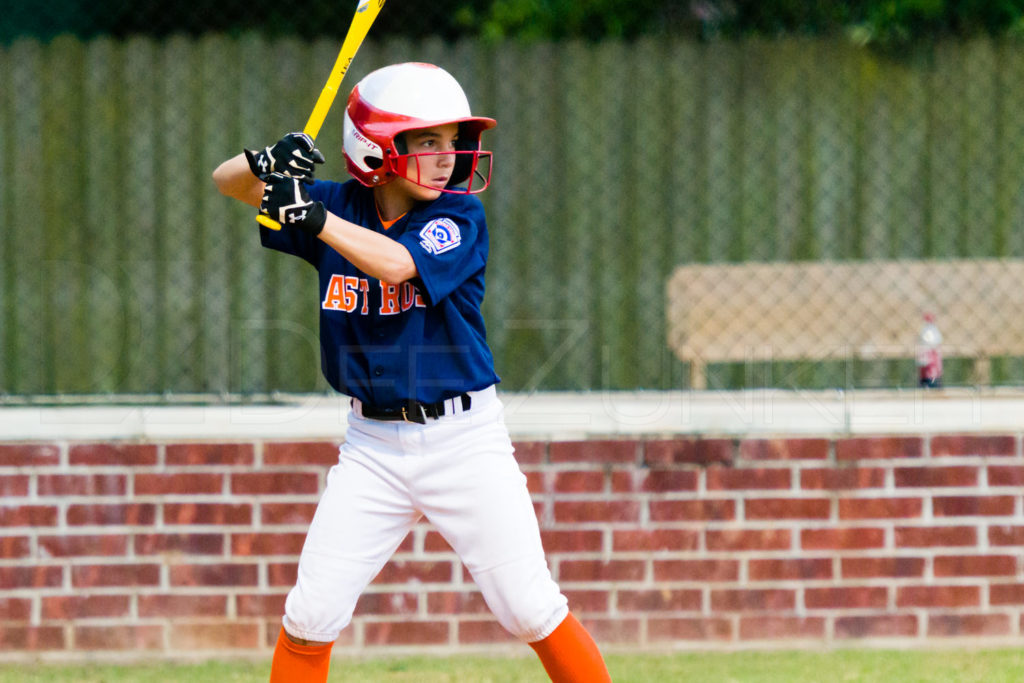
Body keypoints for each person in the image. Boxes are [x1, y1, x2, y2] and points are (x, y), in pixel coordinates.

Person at [212, 62, 611, 683]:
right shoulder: (340, 203)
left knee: (530, 608)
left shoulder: (457, 215)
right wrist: (270, 162)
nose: (448, 157)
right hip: (371, 446)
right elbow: (225, 182)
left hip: (464, 441)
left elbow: (397, 264)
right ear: (375, 150)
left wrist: (312, 219)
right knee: (310, 613)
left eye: (453, 141)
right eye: (426, 141)